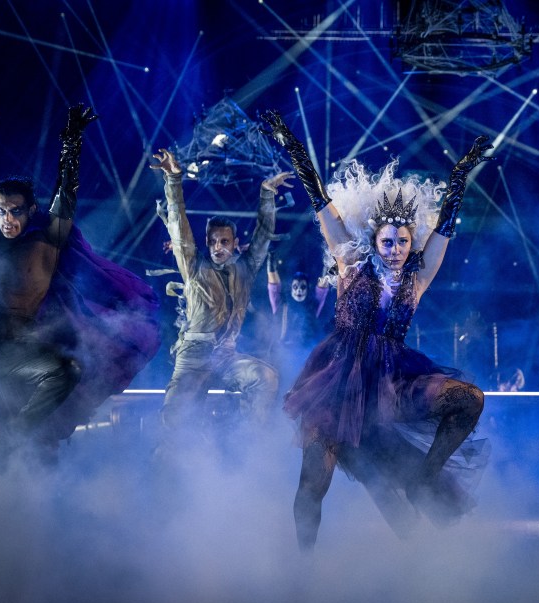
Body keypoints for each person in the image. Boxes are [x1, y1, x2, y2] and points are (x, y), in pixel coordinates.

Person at [261, 109, 491, 549]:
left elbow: (444, 226)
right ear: (374, 240)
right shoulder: (350, 262)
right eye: (388, 241)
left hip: (390, 384)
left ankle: (425, 482)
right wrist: (289, 142)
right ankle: (301, 569)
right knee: (315, 483)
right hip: (338, 385)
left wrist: (461, 173)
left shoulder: (417, 277)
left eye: (403, 241)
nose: (396, 249)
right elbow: (318, 198)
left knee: (468, 400)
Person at [0, 88, 158, 465]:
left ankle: (15, 441)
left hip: (8, 357)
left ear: (30, 210)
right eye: (1, 211)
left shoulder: (47, 245)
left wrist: (71, 141)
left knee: (65, 370)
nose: (7, 219)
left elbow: (65, 194)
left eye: (15, 211)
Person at [151, 149, 287, 444]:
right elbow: (178, 224)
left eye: (224, 241)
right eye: (213, 241)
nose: (218, 247)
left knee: (266, 378)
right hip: (193, 356)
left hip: (225, 356)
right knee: (173, 416)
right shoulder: (194, 265)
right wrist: (173, 179)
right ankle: (167, 464)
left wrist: (266, 195)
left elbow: (263, 238)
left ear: (235, 244)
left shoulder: (245, 269)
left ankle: (248, 447)